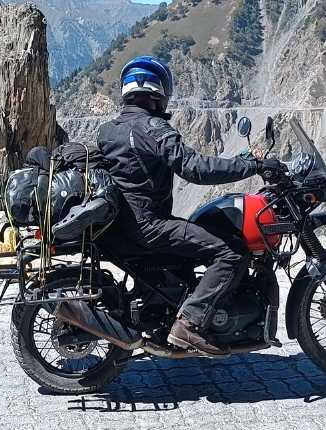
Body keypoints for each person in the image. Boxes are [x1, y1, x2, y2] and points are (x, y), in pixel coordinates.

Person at [95, 55, 273, 356]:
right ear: (157, 92)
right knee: (230, 252)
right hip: (151, 225)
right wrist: (250, 167)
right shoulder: (153, 129)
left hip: (127, 224)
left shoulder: (108, 130)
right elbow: (195, 168)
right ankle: (188, 325)